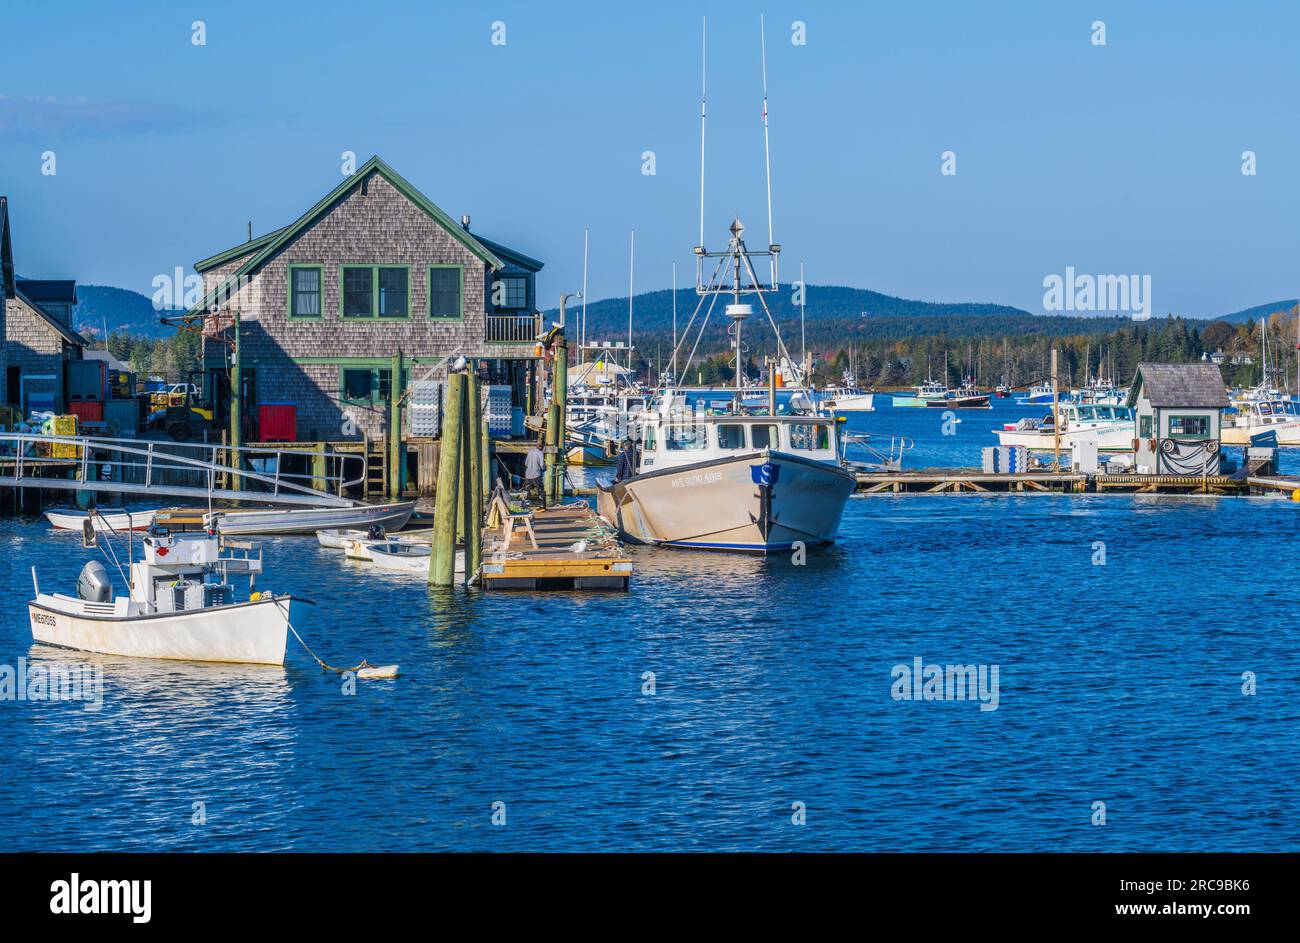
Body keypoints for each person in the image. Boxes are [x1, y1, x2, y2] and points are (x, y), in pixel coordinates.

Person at [524, 440, 545, 506]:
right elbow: (542, 465)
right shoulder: (540, 453)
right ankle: (542, 506)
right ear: (542, 447)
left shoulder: (530, 452)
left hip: (528, 474)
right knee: (541, 490)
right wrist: (544, 468)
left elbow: (526, 463)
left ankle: (527, 505)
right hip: (536, 474)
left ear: (536, 446)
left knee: (528, 490)